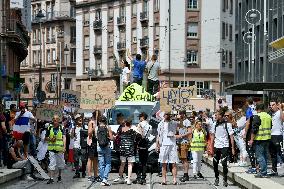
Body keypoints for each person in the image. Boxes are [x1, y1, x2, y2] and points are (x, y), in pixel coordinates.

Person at [211, 109, 235, 187]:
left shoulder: (227, 124)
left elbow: (231, 137)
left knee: (224, 163)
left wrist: (233, 148)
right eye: (215, 115)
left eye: (217, 115)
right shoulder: (214, 124)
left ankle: (225, 179)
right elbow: (212, 136)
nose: (215, 116)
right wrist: (211, 147)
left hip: (225, 145)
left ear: (221, 116)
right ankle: (216, 178)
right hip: (216, 146)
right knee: (215, 163)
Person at [249, 103, 272, 178]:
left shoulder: (257, 116)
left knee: (260, 156)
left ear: (257, 109)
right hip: (267, 138)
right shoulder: (268, 116)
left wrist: (251, 140)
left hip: (259, 139)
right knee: (264, 155)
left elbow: (254, 130)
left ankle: (263, 172)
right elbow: (271, 126)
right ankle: (264, 171)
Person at [114, 119, 140, 185]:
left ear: (125, 123)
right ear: (130, 124)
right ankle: (128, 179)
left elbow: (117, 136)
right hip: (130, 149)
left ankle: (120, 177)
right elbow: (139, 137)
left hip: (122, 149)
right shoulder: (132, 131)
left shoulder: (121, 130)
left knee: (122, 164)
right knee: (130, 164)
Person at [156, 112, 178, 185]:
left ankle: (174, 180)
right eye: (166, 114)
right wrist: (157, 145)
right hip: (163, 145)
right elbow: (158, 135)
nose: (167, 115)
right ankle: (164, 180)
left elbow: (181, 125)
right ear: (163, 115)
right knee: (163, 163)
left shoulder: (174, 123)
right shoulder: (160, 124)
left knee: (174, 163)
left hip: (172, 144)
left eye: (168, 114)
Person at [45, 115, 66, 184]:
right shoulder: (49, 128)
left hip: (60, 149)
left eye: (56, 119)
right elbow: (45, 138)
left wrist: (64, 147)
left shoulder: (62, 127)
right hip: (51, 149)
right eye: (53, 119)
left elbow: (64, 138)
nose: (55, 120)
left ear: (59, 120)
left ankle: (59, 176)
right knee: (52, 163)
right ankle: (51, 178)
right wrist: (50, 139)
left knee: (60, 164)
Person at [134, 112, 151, 185]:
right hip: (146, 145)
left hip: (139, 145)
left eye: (140, 117)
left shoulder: (139, 125)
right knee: (144, 162)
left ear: (142, 117)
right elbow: (148, 135)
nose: (139, 118)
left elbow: (137, 135)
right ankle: (143, 178)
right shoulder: (150, 126)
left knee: (138, 162)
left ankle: (138, 177)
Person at [268, 99, 284, 176]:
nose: (271, 107)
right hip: (271, 136)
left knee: (281, 153)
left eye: (273, 105)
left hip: (278, 136)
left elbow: (283, 119)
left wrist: (280, 108)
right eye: (270, 105)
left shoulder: (280, 112)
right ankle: (274, 171)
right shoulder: (271, 114)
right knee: (273, 154)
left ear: (277, 105)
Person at [97, 116, 113, 186]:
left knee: (101, 164)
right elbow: (111, 138)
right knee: (108, 163)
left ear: (99, 121)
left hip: (99, 147)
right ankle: (105, 179)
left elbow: (96, 137)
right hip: (106, 147)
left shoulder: (96, 128)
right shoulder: (108, 128)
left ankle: (102, 178)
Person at [176, 110, 192, 182]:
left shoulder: (187, 121)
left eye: (181, 114)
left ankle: (186, 175)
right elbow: (178, 130)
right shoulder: (180, 121)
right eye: (179, 114)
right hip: (179, 142)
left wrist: (181, 136)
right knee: (182, 159)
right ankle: (185, 174)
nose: (180, 115)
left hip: (184, 142)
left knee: (185, 159)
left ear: (184, 114)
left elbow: (189, 131)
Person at [243, 97, 257, 174]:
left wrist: (245, 133)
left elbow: (248, 122)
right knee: (255, 149)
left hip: (250, 131)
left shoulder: (249, 110)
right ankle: (256, 166)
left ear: (247, 102)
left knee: (249, 149)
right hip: (256, 131)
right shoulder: (255, 108)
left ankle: (253, 167)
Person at [72, 114, 87, 178]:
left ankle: (83, 172)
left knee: (83, 160)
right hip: (76, 145)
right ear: (76, 120)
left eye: (81, 118)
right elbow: (71, 136)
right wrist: (72, 132)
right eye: (78, 118)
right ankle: (77, 173)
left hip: (83, 146)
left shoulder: (85, 127)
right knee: (76, 160)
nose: (80, 119)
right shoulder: (74, 128)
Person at [87, 110, 100, 182]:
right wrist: (93, 128)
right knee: (90, 159)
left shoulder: (98, 122)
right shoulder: (91, 123)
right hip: (92, 142)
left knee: (95, 159)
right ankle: (89, 175)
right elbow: (89, 133)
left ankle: (95, 175)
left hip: (97, 142)